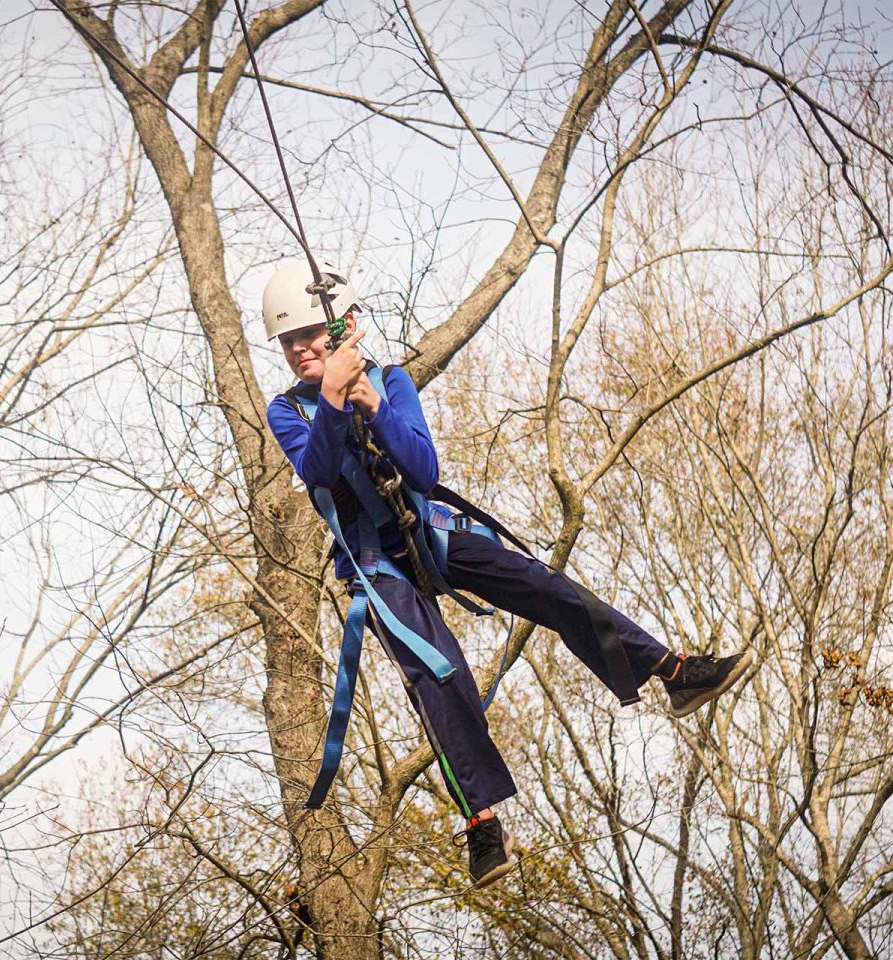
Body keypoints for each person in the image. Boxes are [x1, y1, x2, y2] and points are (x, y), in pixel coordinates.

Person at [264, 258, 753, 888]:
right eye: (288, 341)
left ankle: (671, 670)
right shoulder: (290, 412)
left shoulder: (392, 380)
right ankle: (482, 821)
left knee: (543, 585)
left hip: (429, 529)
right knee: (438, 672)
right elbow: (320, 473)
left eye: (310, 335)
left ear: (345, 327)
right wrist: (331, 399)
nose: (300, 349)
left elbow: (421, 470)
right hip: (375, 562)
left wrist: (373, 404)